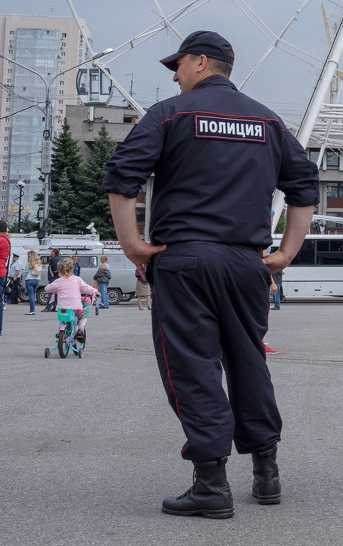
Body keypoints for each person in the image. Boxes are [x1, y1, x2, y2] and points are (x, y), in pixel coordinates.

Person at [104, 30, 319, 519]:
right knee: (249, 361)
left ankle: (211, 483)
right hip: (247, 262)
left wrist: (132, 244)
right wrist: (285, 252)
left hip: (186, 261)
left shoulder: (169, 114)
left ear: (201, 62)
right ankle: (267, 473)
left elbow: (122, 176)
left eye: (177, 65)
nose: (174, 75)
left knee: (193, 366)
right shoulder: (267, 120)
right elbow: (305, 185)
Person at [44, 257, 98, 342]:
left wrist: (55, 289)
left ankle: (62, 332)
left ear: (59, 270)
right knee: (83, 317)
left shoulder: (58, 281)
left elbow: (47, 289)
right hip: (76, 307)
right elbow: (86, 288)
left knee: (63, 320)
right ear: (72, 268)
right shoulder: (77, 279)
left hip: (62, 308)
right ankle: (80, 330)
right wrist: (95, 291)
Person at [25, 250, 42, 315]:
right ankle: (33, 310)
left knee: (31, 296)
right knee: (33, 295)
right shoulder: (38, 262)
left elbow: (26, 272)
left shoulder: (29, 263)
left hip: (29, 280)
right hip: (37, 280)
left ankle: (32, 311)